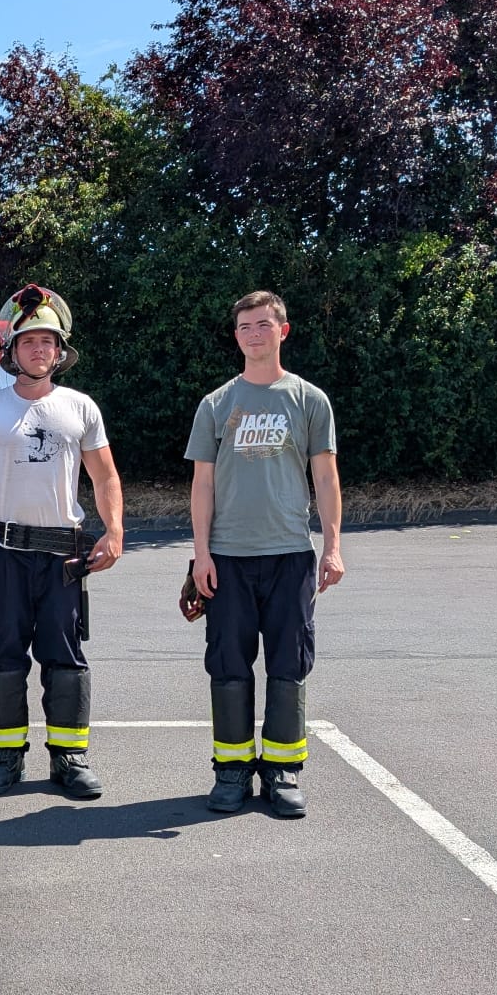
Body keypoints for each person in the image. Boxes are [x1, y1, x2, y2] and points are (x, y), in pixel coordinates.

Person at [0, 285, 123, 800]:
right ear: (12, 351)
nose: (40, 349)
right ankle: (5, 759)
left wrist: (114, 531)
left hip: (63, 556)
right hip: (1, 553)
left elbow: (106, 476)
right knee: (3, 654)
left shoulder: (80, 407)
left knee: (64, 655)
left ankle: (69, 759)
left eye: (48, 341)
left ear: (60, 350)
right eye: (30, 341)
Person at [185, 290, 346, 818]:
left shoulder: (308, 400)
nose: (253, 334)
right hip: (228, 558)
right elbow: (202, 484)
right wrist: (201, 555)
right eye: (244, 327)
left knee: (288, 663)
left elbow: (324, 477)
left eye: (262, 325)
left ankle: (282, 772)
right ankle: (231, 771)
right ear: (236, 336)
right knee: (228, 665)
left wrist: (333, 547)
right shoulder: (216, 404)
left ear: (283, 330)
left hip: (290, 556)